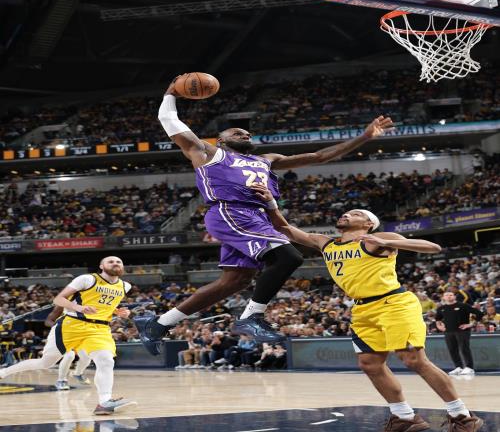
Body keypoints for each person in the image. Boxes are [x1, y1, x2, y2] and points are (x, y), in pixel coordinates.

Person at [135, 74, 394, 354]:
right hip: (230, 211)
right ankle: (251, 317)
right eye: (237, 133)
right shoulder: (208, 153)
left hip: (256, 217)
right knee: (289, 256)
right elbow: (170, 121)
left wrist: (364, 137)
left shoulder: (266, 160)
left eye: (247, 133)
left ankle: (158, 324)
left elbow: (320, 156)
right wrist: (171, 93)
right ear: (221, 140)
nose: (244, 135)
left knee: (235, 281)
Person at [251, 183, 483, 432]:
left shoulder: (379, 239)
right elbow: (284, 228)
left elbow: (432, 247)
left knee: (413, 359)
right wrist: (270, 203)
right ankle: (404, 417)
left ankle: (462, 416)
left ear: (368, 224)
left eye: (355, 213)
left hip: (393, 303)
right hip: (362, 309)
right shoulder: (327, 243)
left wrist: (383, 240)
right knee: (370, 364)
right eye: (346, 212)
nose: (347, 214)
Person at [0, 257, 137, 415]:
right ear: (101, 266)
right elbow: (58, 299)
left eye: (118, 262)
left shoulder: (125, 286)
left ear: (122, 266)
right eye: (110, 262)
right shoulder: (87, 279)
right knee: (45, 363)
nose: (115, 264)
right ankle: (3, 373)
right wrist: (78, 307)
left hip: (99, 328)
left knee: (106, 360)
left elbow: (105, 304)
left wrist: (119, 312)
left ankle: (104, 402)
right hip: (72, 325)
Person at [436, 291, 484, 376]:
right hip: (448, 331)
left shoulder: (463, 305)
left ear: (454, 297)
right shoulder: (441, 308)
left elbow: (479, 313)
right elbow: (438, 319)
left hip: (462, 331)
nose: (449, 296)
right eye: (446, 295)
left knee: (464, 348)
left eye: (451, 295)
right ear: (443, 297)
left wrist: (471, 324)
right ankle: (458, 367)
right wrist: (439, 326)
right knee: (452, 350)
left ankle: (469, 368)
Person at [45, 306, 92, 390]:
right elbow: (48, 321)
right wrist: (60, 326)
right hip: (63, 335)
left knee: (87, 356)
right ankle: (61, 380)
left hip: (78, 335)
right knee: (70, 355)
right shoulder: (63, 305)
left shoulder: (89, 304)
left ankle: (77, 373)